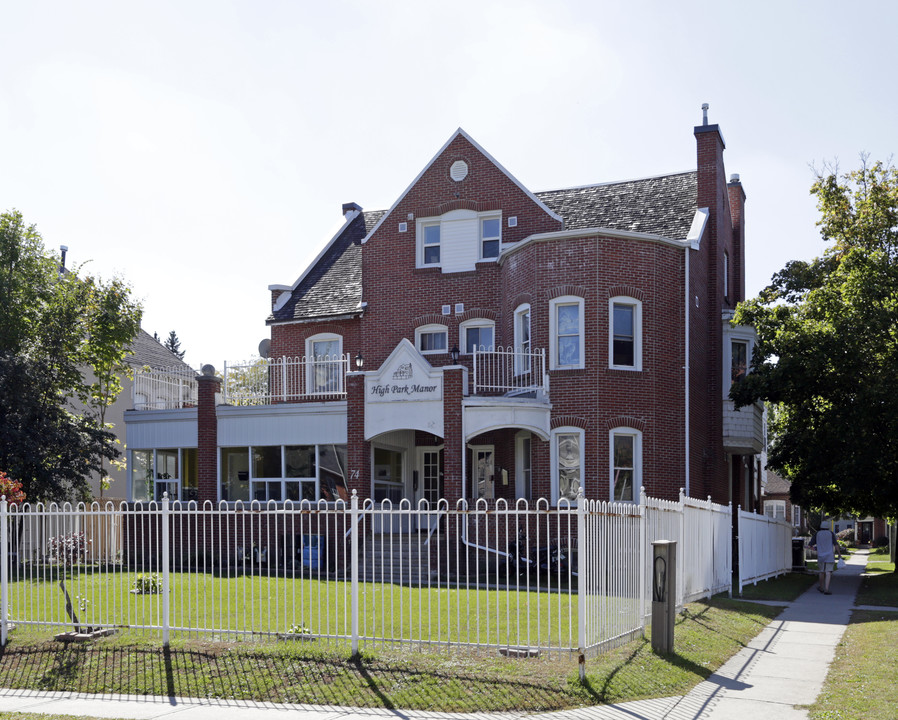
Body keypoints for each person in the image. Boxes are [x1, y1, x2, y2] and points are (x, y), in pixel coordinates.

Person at [811, 519, 842, 595]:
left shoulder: (817, 534)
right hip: (829, 556)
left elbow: (810, 545)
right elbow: (836, 545)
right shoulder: (831, 534)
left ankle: (821, 587)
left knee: (821, 572)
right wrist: (839, 554)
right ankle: (826, 589)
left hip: (821, 556)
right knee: (828, 572)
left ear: (821, 527)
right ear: (828, 527)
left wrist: (816, 549)